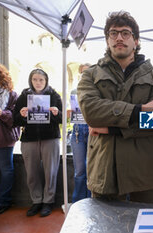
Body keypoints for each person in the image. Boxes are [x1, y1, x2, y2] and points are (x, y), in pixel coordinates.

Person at [77, 11, 153, 204]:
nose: (119, 37)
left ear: (135, 40)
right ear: (107, 40)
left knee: (151, 224)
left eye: (125, 33)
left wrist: (110, 128)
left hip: (145, 170)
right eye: (113, 33)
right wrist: (139, 110)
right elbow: (91, 112)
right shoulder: (90, 75)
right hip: (105, 171)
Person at [13, 69, 62, 217]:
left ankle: (48, 201)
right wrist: (21, 115)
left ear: (46, 80)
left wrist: (56, 113)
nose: (38, 82)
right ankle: (36, 201)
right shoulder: (24, 96)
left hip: (50, 138)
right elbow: (15, 120)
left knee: (50, 171)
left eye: (41, 80)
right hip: (29, 139)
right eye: (35, 79)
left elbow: (62, 119)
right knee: (32, 173)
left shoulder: (54, 95)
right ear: (31, 81)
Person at [0, 63, 20, 215]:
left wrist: (1, 113)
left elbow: (15, 119)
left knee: (6, 170)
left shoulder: (11, 95)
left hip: (3, 139)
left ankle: (3, 201)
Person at [70, 63, 91, 203]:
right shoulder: (74, 92)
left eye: (88, 72)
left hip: (92, 130)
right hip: (77, 130)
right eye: (83, 72)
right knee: (79, 170)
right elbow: (70, 112)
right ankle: (78, 202)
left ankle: (91, 201)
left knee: (92, 170)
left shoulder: (97, 91)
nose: (85, 74)